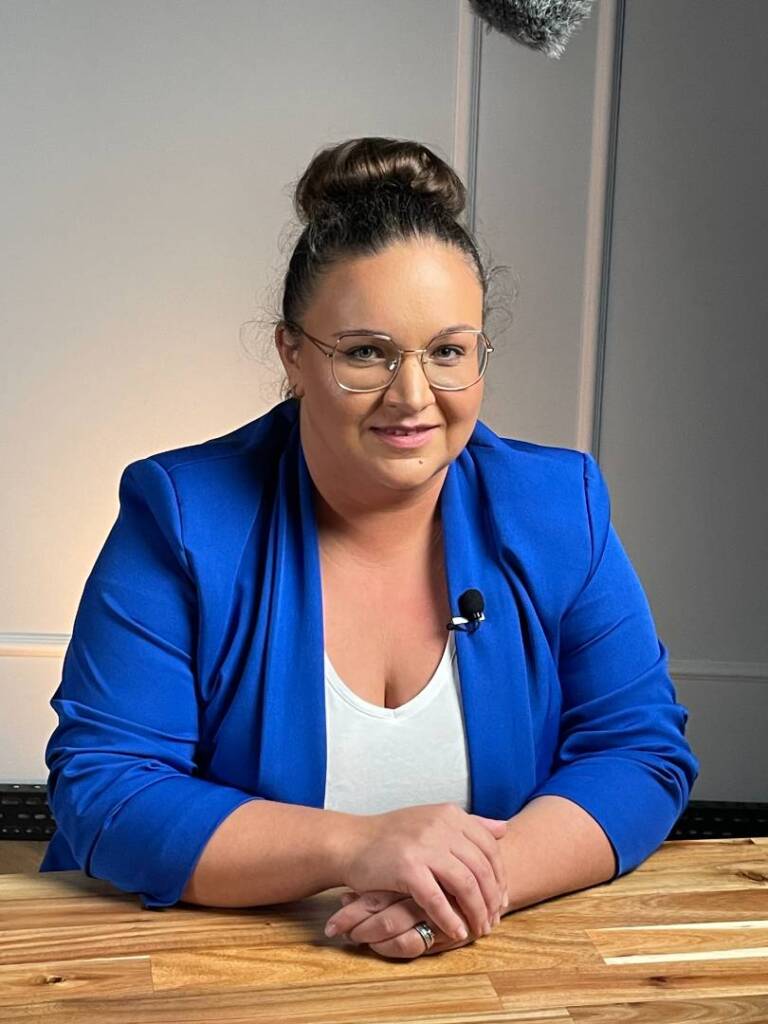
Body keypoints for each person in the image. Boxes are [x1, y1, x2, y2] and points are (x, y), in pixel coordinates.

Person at [40, 136, 699, 960]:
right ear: (292, 355)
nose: (413, 396)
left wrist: (468, 886)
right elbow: (107, 789)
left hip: (469, 970)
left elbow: (638, 751)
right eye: (365, 353)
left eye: (448, 352)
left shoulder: (560, 507)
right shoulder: (180, 515)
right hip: (207, 972)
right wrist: (357, 847)